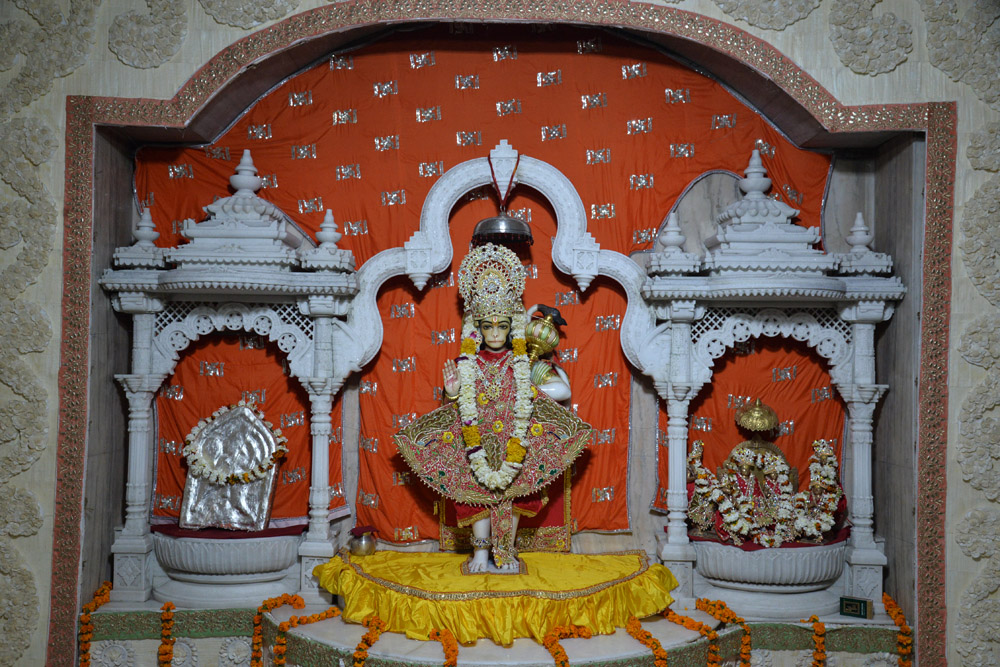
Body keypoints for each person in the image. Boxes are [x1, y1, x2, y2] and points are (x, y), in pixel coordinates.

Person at [395, 243, 591, 572]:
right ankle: (481, 553)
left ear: (511, 326)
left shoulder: (525, 362)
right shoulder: (467, 362)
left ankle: (507, 552)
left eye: (502, 326)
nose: (496, 333)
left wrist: (528, 390)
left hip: (517, 438)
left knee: (515, 494)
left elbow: (561, 390)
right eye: (488, 326)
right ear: (478, 328)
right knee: (477, 493)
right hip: (478, 440)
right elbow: (457, 405)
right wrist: (453, 392)